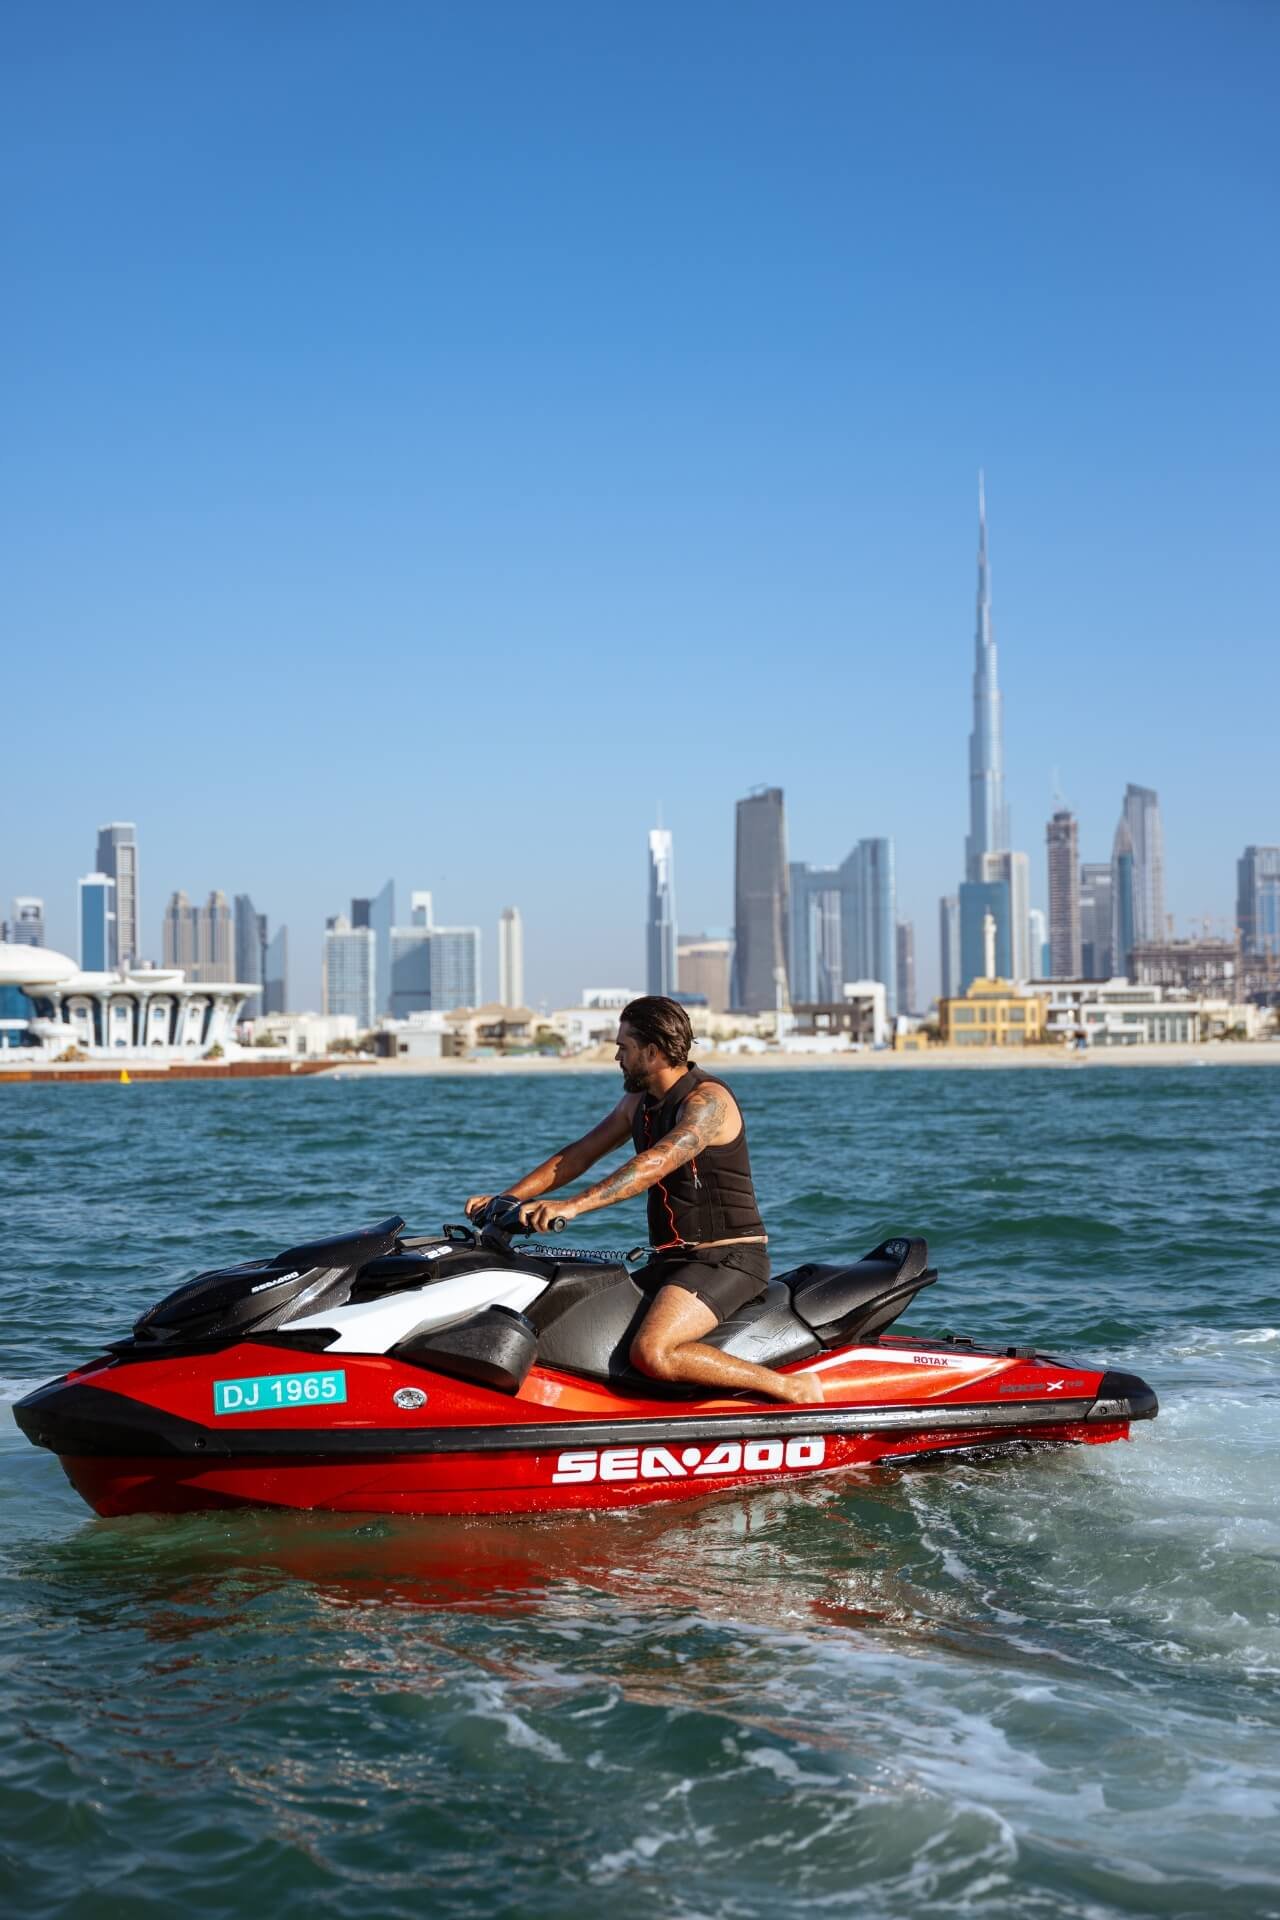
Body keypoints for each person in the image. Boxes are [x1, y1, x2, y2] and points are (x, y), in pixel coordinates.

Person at [466, 995, 822, 1406]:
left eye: (624, 1047)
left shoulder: (707, 1102)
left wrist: (572, 1206)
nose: (617, 1056)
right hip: (671, 1261)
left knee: (653, 1352)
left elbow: (657, 1162)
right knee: (579, 1320)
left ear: (651, 1052)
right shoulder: (638, 1103)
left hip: (728, 1260)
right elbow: (577, 1156)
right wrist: (508, 1198)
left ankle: (793, 1388)